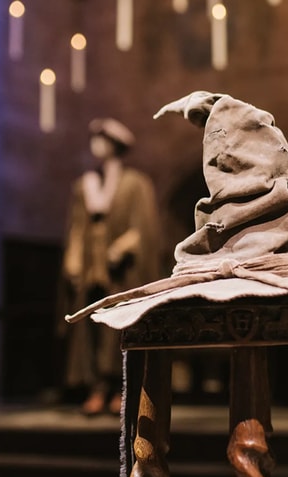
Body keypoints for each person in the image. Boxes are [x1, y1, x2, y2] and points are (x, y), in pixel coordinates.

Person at [62, 118, 162, 416]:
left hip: (120, 270)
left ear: (115, 145)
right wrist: (74, 259)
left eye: (103, 139)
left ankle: (120, 388)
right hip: (92, 267)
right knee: (90, 327)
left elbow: (143, 226)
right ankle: (95, 386)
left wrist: (124, 246)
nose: (96, 144)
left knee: (118, 328)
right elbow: (77, 226)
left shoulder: (135, 183)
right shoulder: (85, 184)